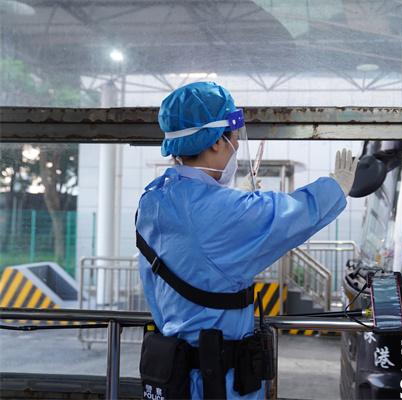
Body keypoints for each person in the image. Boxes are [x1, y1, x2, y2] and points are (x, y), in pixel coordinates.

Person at [136, 81, 358, 399]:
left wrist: (232, 203)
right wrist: (336, 186)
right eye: (234, 136)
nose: (237, 144)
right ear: (216, 141)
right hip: (216, 382)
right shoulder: (225, 211)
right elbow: (291, 214)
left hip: (172, 373)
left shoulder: (153, 200)